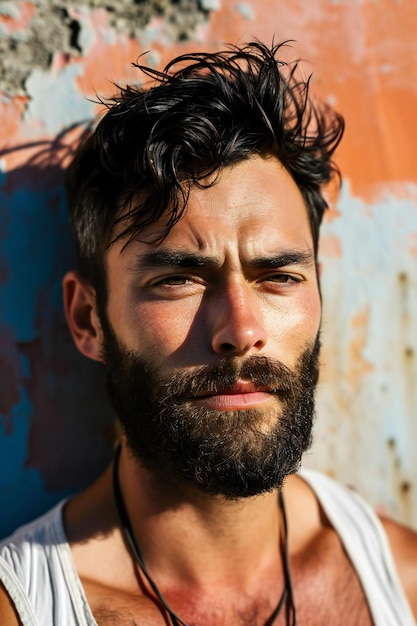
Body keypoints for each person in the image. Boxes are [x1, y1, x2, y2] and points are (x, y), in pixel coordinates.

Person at [0, 40, 416, 626]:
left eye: (278, 276)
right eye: (178, 280)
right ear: (88, 319)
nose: (241, 331)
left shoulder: (403, 584)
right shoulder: (27, 609)